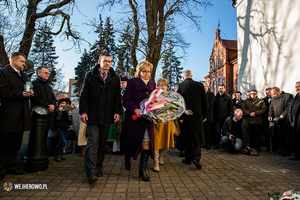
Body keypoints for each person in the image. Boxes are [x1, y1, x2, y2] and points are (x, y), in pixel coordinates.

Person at [79, 52, 122, 183]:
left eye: (109, 61)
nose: (107, 63)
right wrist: (83, 111)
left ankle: (98, 166)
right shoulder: (90, 75)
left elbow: (116, 97)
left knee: (102, 144)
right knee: (93, 142)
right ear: (99, 61)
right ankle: (91, 171)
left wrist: (117, 112)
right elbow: (84, 95)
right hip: (92, 115)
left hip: (106, 115)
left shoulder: (115, 78)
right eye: (105, 61)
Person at [0, 52, 33, 181]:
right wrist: (20, 94)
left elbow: (28, 89)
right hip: (8, 115)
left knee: (15, 144)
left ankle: (11, 167)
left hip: (21, 115)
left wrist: (30, 92)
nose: (24, 64)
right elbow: (2, 91)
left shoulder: (24, 75)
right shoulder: (3, 73)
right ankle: (1, 170)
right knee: (4, 145)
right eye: (22, 61)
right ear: (13, 60)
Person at [121, 61, 156, 182]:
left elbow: (154, 100)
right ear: (139, 71)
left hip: (147, 119)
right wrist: (135, 109)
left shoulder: (153, 83)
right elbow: (126, 99)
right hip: (134, 118)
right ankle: (127, 159)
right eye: (144, 71)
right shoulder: (131, 82)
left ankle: (143, 170)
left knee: (146, 142)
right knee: (131, 141)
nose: (146, 74)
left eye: (148, 71)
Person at [177, 70, 208, 169]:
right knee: (197, 137)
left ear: (183, 77)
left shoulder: (180, 86)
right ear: (192, 76)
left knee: (187, 138)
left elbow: (178, 103)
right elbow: (205, 101)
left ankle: (188, 159)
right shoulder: (199, 85)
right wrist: (205, 115)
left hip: (185, 116)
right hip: (197, 116)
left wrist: (180, 117)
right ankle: (196, 158)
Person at [153, 78, 177, 172]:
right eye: (161, 85)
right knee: (157, 142)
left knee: (165, 141)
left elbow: (174, 109)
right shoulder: (154, 96)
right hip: (158, 122)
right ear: (157, 86)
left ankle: (161, 157)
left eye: (165, 85)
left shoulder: (170, 96)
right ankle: (155, 162)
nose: (163, 87)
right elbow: (150, 108)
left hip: (167, 122)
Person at [268, 87, 293, 155]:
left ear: (278, 91)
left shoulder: (287, 96)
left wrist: (283, 114)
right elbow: (271, 108)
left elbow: (289, 107)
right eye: (273, 94)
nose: (274, 95)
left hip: (285, 120)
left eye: (275, 94)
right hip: (277, 120)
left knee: (285, 135)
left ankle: (287, 150)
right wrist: (270, 115)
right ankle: (281, 149)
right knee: (279, 135)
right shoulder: (273, 98)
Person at [213, 84, 234, 149]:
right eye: (219, 88)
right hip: (217, 118)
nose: (220, 89)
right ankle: (217, 144)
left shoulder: (228, 98)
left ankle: (225, 145)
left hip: (225, 118)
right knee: (217, 131)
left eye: (222, 88)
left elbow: (231, 108)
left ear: (224, 89)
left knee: (225, 131)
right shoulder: (215, 97)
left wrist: (230, 117)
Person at [288, 81, 300, 161]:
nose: (297, 88)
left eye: (299, 86)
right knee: (296, 139)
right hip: (294, 122)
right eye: (296, 87)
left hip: (299, 122)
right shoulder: (296, 96)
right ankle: (297, 155)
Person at [203, 82, 215, 150]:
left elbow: (210, 105)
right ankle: (204, 143)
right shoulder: (202, 94)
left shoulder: (211, 94)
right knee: (204, 131)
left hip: (209, 115)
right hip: (203, 116)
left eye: (205, 86)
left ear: (207, 87)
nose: (204, 87)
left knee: (208, 131)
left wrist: (206, 115)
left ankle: (208, 144)